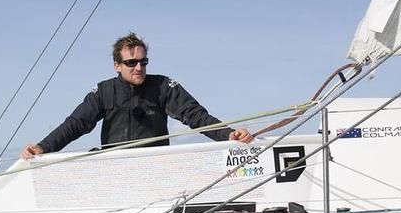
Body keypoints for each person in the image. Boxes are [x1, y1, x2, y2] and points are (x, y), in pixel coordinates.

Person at [21, 33, 253, 159]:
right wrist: (43, 147)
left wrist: (228, 134)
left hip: (156, 166)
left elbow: (195, 117)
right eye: (131, 62)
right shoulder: (104, 91)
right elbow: (75, 125)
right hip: (116, 169)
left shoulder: (163, 86)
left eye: (143, 61)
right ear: (117, 65)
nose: (139, 67)